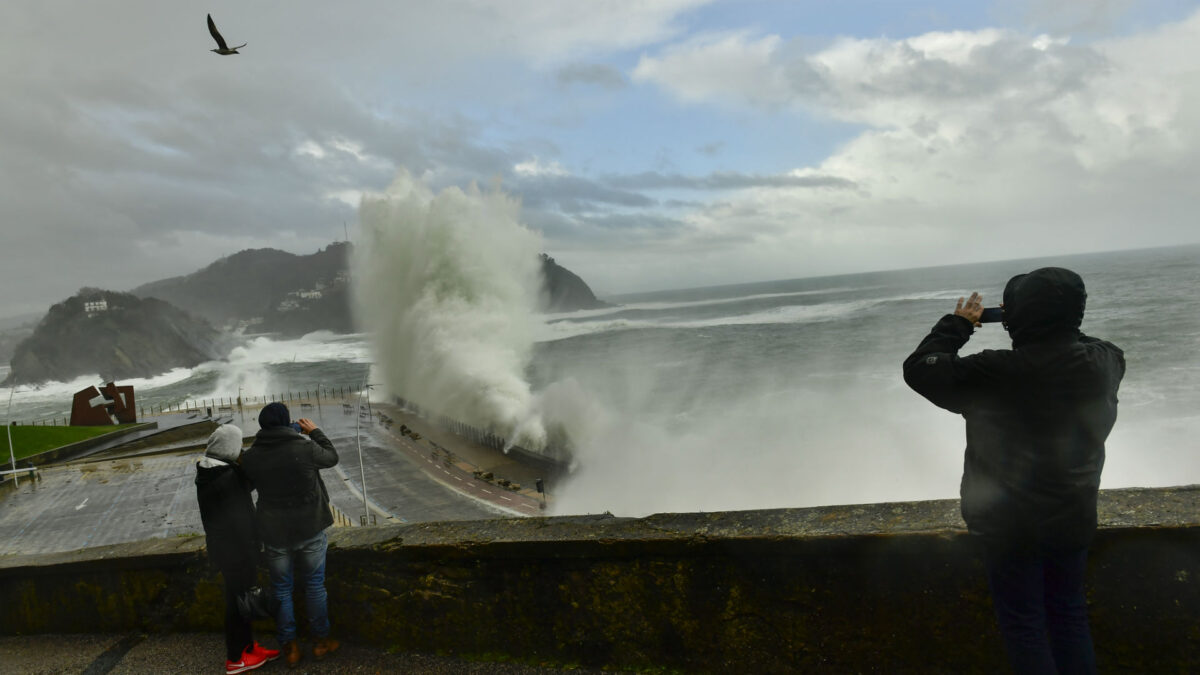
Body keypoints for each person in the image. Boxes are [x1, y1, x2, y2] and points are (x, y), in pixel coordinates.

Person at [903, 267, 1124, 674]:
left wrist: (958, 324)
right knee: (1069, 617)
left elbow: (921, 368)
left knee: (1025, 626)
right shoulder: (1106, 361)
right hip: (1073, 518)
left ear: (1018, 316)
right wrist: (1044, 321)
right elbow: (1070, 340)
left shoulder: (995, 372)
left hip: (1007, 527)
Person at [240, 402, 341, 668]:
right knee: (315, 586)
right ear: (287, 424)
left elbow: (245, 485)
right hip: (309, 527)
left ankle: (291, 648)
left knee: (282, 590)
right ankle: (321, 642)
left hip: (274, 533)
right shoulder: (304, 447)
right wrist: (315, 431)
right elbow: (331, 457)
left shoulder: (251, 457)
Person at [195, 424, 280, 674]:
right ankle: (236, 658)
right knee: (237, 605)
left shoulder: (210, 471)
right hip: (236, 552)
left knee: (239, 601)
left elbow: (244, 483)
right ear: (229, 449)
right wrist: (257, 551)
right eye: (238, 445)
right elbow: (242, 522)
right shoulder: (226, 480)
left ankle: (248, 648)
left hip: (224, 550)